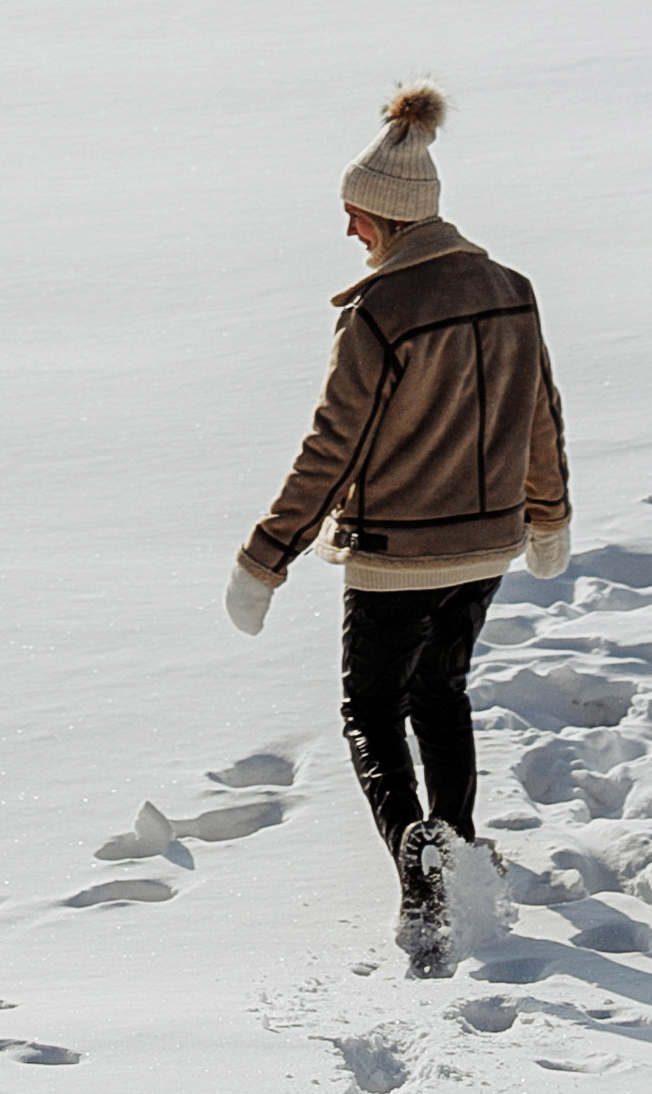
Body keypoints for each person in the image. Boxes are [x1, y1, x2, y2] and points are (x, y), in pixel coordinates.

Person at [224, 85, 570, 973]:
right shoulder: (513, 291)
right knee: (443, 692)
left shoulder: (378, 312)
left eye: (356, 216)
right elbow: (541, 415)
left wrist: (267, 556)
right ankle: (459, 848)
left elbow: (332, 446)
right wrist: (548, 515)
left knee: (372, 710)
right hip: (485, 545)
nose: (349, 231)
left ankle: (418, 861)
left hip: (395, 554)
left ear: (386, 216)